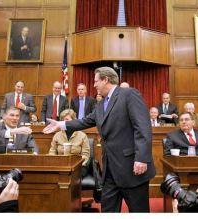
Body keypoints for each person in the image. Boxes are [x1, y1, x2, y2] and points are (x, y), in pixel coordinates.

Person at [43, 66, 156, 212]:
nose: (94, 85)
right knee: (107, 209)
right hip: (109, 170)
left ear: (106, 80)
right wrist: (62, 124)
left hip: (132, 168)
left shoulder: (128, 94)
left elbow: (143, 127)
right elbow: (86, 121)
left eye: (96, 81)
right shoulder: (101, 104)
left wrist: (142, 158)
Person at [49, 109, 90, 177]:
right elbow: (52, 152)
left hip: (77, 167)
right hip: (60, 166)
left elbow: (85, 155)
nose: (64, 122)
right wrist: (54, 163)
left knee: (71, 176)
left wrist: (77, 166)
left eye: (67, 120)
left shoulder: (82, 135)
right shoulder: (57, 135)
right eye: (62, 120)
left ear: (74, 121)